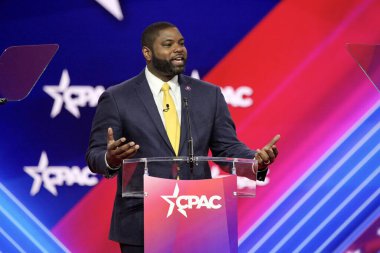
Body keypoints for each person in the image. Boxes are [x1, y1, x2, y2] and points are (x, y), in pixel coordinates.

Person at [86, 21, 280, 253]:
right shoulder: (118, 97)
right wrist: (111, 159)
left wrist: (254, 162)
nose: (178, 49)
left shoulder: (208, 95)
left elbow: (226, 149)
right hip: (142, 222)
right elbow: (95, 155)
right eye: (168, 44)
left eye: (181, 43)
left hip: (198, 218)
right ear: (147, 52)